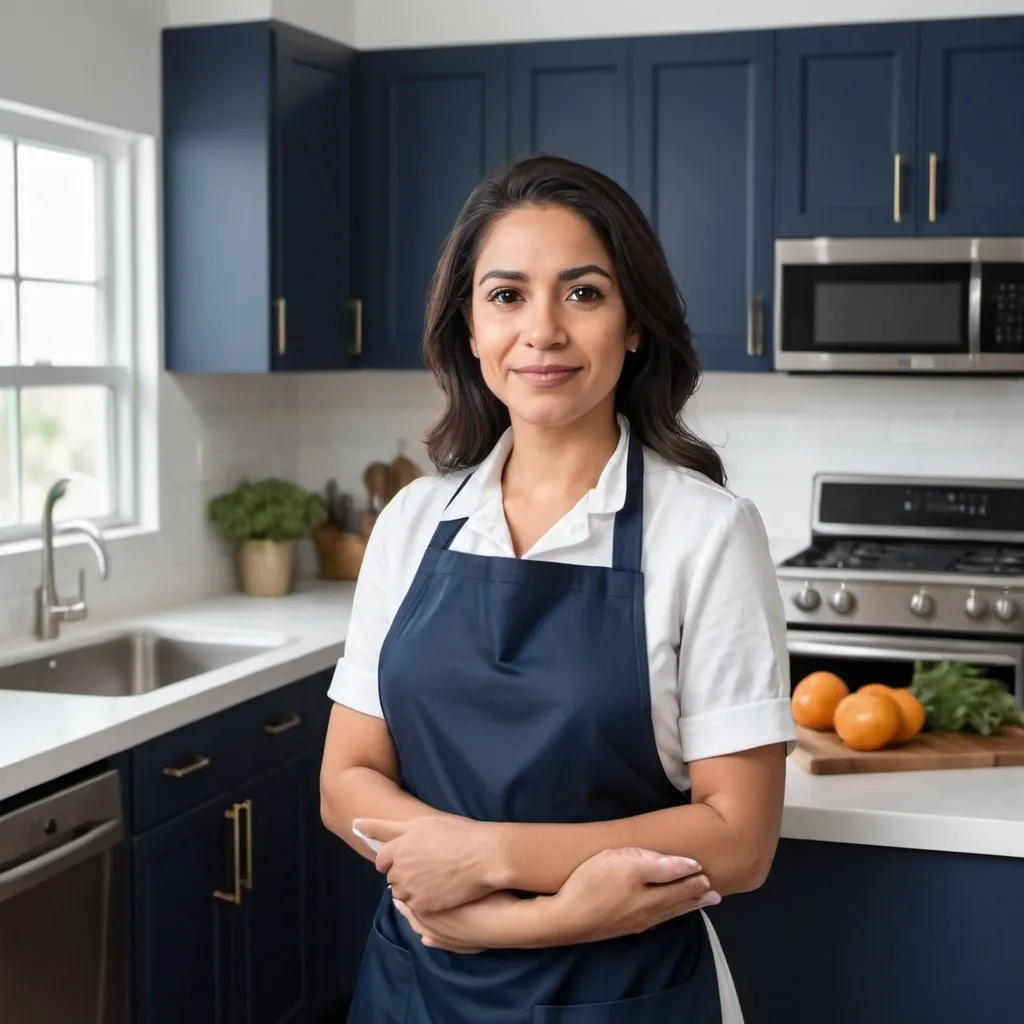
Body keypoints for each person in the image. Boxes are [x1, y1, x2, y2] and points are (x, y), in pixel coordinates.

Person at [319, 153, 797, 1024]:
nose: (542, 331)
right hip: (421, 978)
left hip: (625, 990)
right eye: (506, 296)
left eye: (582, 293)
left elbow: (739, 840)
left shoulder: (706, 532)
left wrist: (491, 864)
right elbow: (346, 776)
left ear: (636, 324)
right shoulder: (413, 520)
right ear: (469, 328)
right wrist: (517, 910)